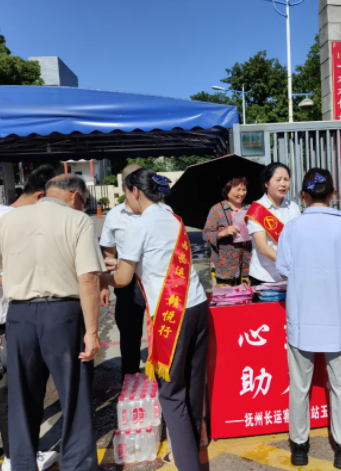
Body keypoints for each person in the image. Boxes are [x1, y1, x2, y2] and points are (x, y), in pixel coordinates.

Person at [0, 174, 105, 471]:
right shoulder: (77, 220)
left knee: (22, 397)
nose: (83, 206)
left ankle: (22, 464)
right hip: (63, 315)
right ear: (75, 195)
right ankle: (78, 466)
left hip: (19, 317)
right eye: (84, 201)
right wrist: (92, 332)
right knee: (74, 395)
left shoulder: (9, 220)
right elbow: (88, 278)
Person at [100, 169, 208, 471]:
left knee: (171, 396)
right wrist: (122, 264)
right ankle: (193, 446)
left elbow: (123, 278)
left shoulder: (139, 224)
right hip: (198, 307)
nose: (127, 201)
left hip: (173, 315)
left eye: (126, 194)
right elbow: (154, 259)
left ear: (135, 191)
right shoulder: (173, 217)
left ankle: (188, 463)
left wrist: (100, 279)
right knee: (193, 387)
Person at [0, 165, 58, 471]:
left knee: (1, 379)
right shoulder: (11, 223)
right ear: (41, 196)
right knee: (13, 389)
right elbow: (0, 275)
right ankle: (15, 457)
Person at [276, 168, 341, 470]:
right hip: (338, 319)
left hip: (302, 319)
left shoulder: (292, 228)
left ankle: (299, 445)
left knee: (300, 385)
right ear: (333, 194)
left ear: (303, 195)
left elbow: (283, 268)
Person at [99, 163, 147, 379]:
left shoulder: (163, 212)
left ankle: (165, 381)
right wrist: (105, 283)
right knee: (129, 335)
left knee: (163, 332)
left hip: (156, 281)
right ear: (128, 187)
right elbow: (108, 253)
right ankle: (130, 380)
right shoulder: (114, 215)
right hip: (127, 283)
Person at [246, 163, 301, 286]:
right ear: (266, 183)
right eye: (278, 179)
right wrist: (289, 263)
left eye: (286, 179)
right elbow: (263, 247)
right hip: (264, 277)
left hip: (290, 276)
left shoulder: (293, 207)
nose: (283, 184)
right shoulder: (257, 210)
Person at [202, 176, 252, 286]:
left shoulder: (251, 208)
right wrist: (223, 233)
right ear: (227, 190)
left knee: (248, 296)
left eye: (244, 189)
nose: (242, 193)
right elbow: (206, 234)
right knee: (226, 296)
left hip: (248, 267)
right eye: (238, 190)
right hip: (224, 267)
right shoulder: (217, 210)